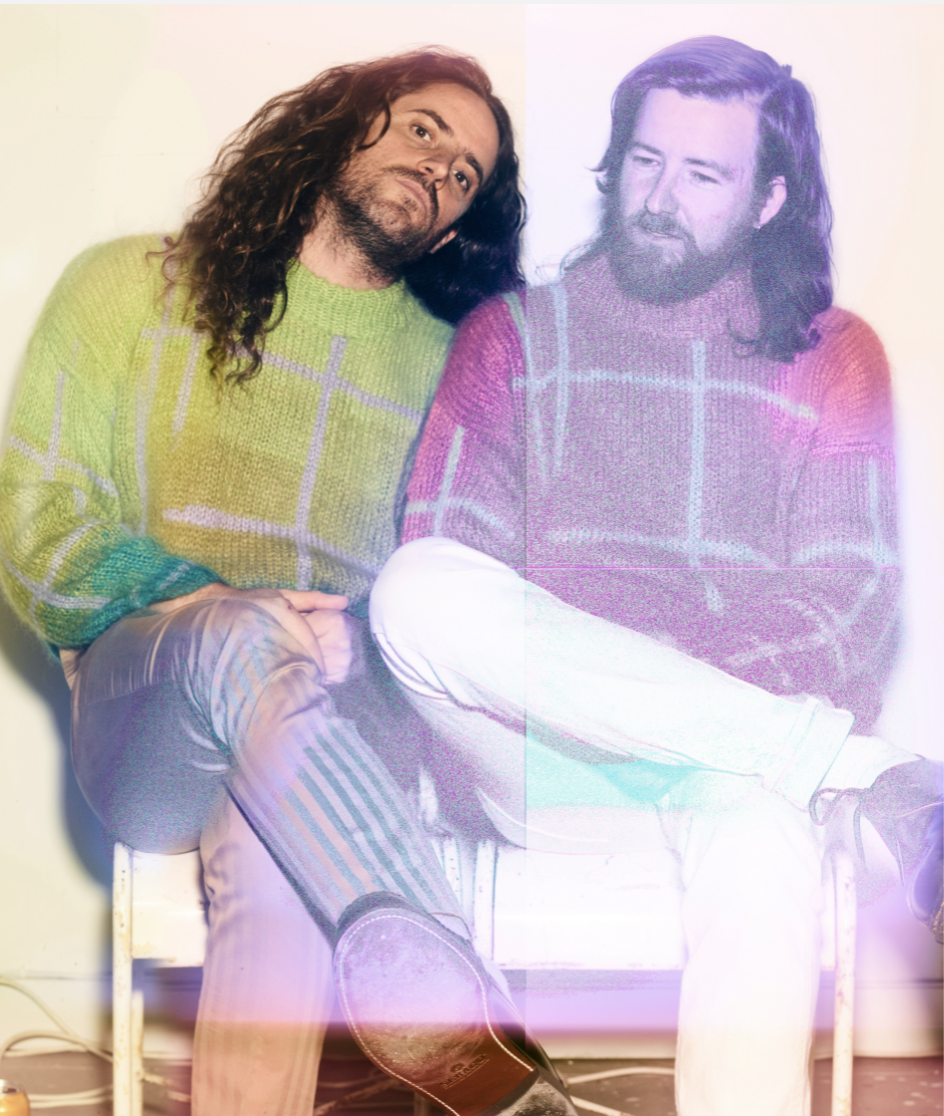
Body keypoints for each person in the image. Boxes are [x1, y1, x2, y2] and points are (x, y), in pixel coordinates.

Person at [0, 47, 582, 1116]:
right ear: (343, 123)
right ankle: (459, 1008)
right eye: (423, 130)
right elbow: (40, 532)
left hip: (320, 737)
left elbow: (459, 590)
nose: (441, 169)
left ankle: (432, 1013)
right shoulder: (128, 286)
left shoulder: (448, 366)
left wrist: (367, 641)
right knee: (239, 635)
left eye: (465, 177)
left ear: (454, 231)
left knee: (281, 866)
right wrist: (214, 600)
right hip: (146, 722)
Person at [371, 36, 944, 1116]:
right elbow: (460, 569)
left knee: (764, 841)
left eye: (703, 175)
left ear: (770, 199)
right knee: (417, 588)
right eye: (645, 161)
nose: (659, 200)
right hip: (541, 761)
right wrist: (611, 683)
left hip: (724, 773)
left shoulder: (833, 355)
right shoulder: (512, 337)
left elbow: (848, 605)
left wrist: (660, 685)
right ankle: (866, 771)